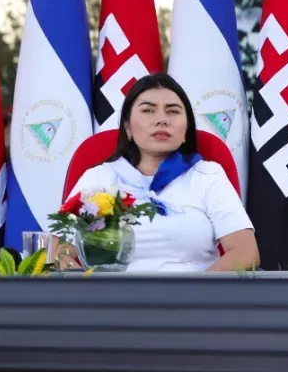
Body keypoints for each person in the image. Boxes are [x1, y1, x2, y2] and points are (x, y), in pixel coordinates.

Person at [69, 74, 258, 273]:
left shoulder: (207, 175)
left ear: (186, 129)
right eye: (148, 110)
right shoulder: (98, 178)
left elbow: (245, 253)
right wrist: (91, 292)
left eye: (173, 111)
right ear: (128, 127)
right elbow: (56, 253)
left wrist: (190, 294)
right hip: (113, 300)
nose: (161, 120)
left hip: (194, 298)